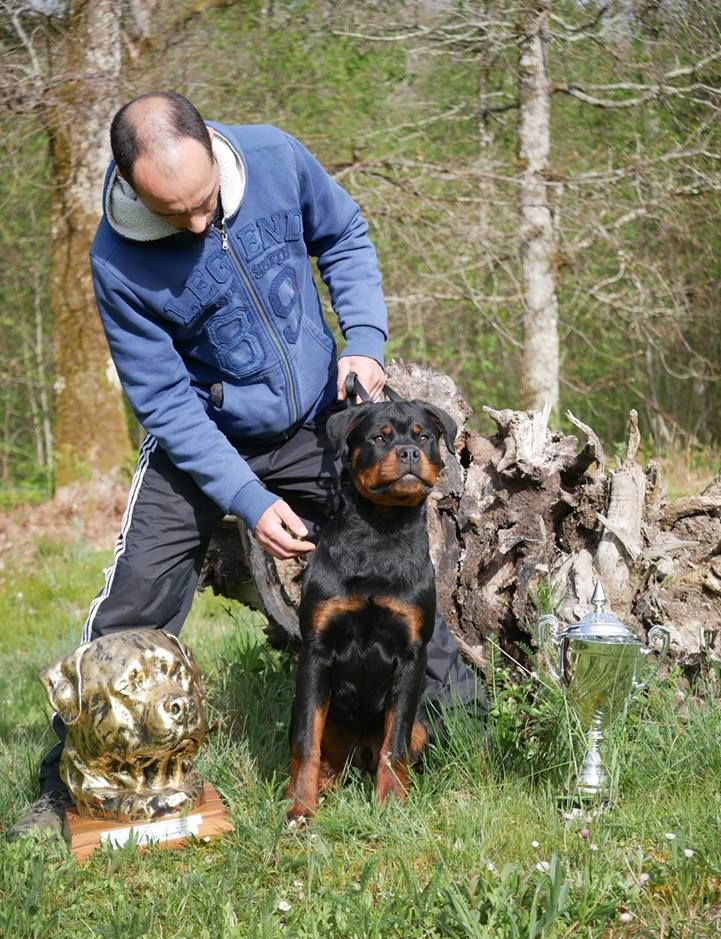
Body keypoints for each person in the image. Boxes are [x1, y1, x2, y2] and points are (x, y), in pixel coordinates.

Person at [8, 91, 484, 840]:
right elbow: (164, 404)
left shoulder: (273, 157)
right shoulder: (116, 260)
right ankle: (69, 786)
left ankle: (462, 739)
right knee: (135, 601)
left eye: (205, 203)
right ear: (132, 187)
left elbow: (346, 235)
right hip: (199, 436)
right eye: (175, 214)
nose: (197, 224)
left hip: (316, 421)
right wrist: (247, 498)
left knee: (401, 571)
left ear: (215, 151)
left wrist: (361, 338)